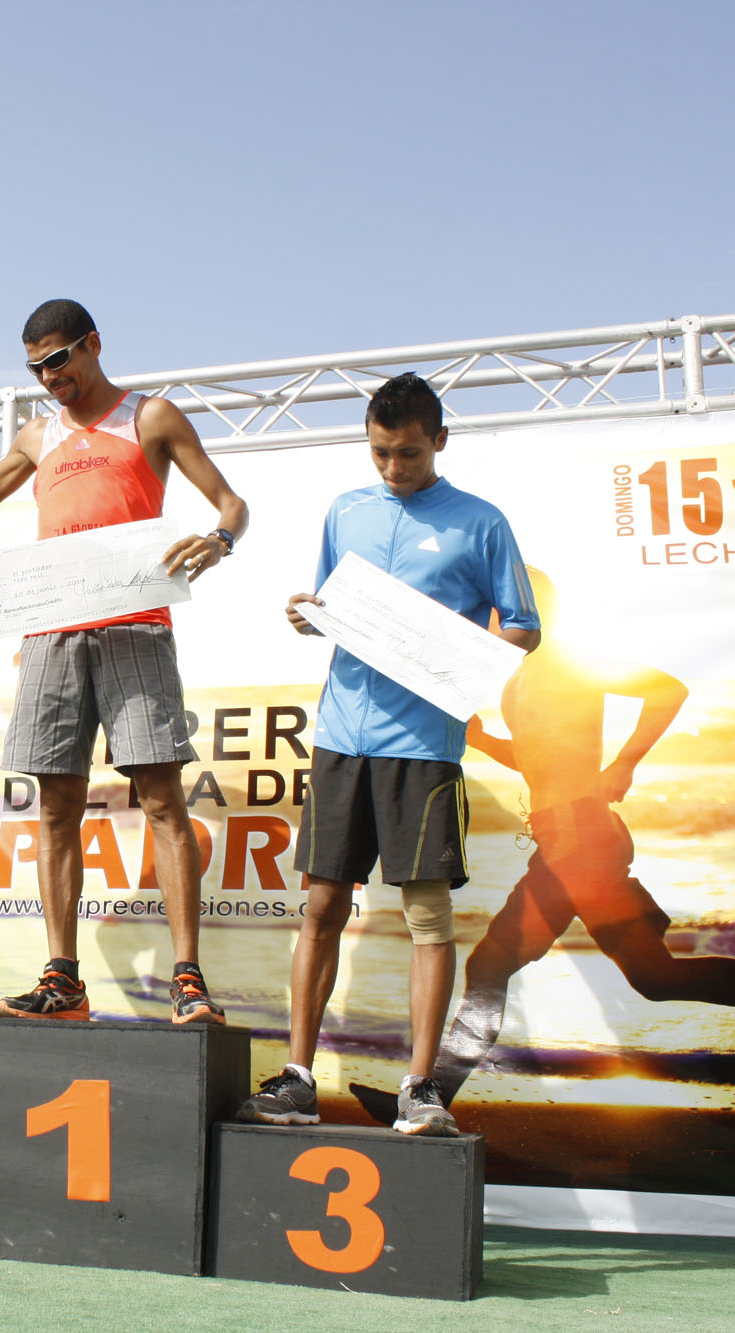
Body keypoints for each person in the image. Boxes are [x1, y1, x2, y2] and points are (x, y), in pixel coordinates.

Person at [348, 569, 735, 1125]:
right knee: (651, 977)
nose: (485, 619)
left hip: (582, 842)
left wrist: (624, 762)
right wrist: (481, 739)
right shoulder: (518, 679)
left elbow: (669, 688)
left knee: (499, 966)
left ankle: (428, 1098)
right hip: (566, 843)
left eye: (494, 609)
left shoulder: (567, 664)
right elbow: (538, 761)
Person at [239, 372, 540, 1137]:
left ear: (439, 440)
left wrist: (460, 658)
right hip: (343, 735)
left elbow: (523, 627)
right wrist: (310, 617)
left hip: (424, 744)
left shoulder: (481, 522)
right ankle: (300, 1078)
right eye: (379, 453)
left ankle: (420, 1090)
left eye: (406, 454)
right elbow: (331, 604)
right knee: (321, 906)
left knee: (428, 917)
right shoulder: (347, 510)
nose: (392, 469)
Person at [0, 300, 248, 1024]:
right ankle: (63, 978)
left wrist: (219, 540)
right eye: (35, 367)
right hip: (50, 632)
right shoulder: (35, 434)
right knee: (55, 807)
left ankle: (188, 978)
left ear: (91, 346)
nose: (50, 376)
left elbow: (231, 503)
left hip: (135, 627)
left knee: (161, 798)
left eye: (59, 359)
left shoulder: (151, 417)